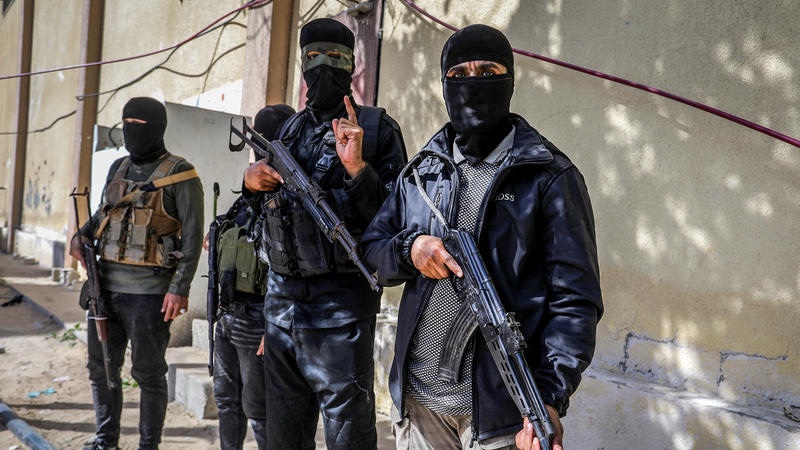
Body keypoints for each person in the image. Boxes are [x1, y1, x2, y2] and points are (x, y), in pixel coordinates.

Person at [360, 24, 603, 450]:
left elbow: (575, 301)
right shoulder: (423, 170)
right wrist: (410, 250)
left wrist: (549, 397)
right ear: (444, 84)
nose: (473, 83)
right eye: (459, 74)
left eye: (488, 71)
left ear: (510, 81)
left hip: (500, 418)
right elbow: (372, 250)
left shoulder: (549, 177)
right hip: (419, 404)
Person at [242, 17, 407, 450]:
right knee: (283, 436)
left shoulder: (376, 130)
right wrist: (251, 183)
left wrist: (357, 169)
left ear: (352, 65)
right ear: (301, 64)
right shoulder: (288, 130)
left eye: (335, 57)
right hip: (282, 310)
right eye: (313, 56)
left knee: (348, 435)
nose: (323, 66)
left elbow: (396, 218)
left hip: (341, 312)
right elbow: (265, 219)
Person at [70, 96, 205, 450]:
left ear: (158, 128)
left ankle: (148, 445)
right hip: (104, 289)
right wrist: (80, 235)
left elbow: (192, 239)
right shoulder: (118, 168)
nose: (130, 131)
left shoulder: (181, 174)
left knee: (148, 374)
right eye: (126, 124)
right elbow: (102, 216)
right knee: (101, 369)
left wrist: (179, 288)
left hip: (149, 296)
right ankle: (106, 440)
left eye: (138, 125)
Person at [207, 104, 295, 450]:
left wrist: (274, 327)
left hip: (259, 321)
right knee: (226, 401)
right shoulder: (246, 197)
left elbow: (290, 269)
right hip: (228, 314)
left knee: (259, 409)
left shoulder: (290, 197)